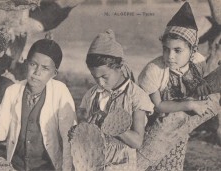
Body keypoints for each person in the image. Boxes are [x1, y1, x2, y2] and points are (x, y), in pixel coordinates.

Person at [137, 2, 220, 170]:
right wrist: (189, 104)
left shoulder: (198, 62)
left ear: (192, 50)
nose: (170, 56)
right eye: (166, 49)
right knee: (152, 164)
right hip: (154, 128)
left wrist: (203, 84)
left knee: (173, 164)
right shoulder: (153, 71)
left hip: (180, 128)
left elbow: (200, 85)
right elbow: (158, 106)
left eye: (177, 50)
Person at [0, 39, 76, 171]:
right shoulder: (13, 91)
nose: (37, 72)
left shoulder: (60, 92)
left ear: (54, 73)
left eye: (45, 68)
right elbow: (1, 133)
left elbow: (69, 138)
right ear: (26, 63)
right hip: (16, 167)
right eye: (33, 64)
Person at [77, 29, 154, 170]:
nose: (100, 83)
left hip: (121, 165)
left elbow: (137, 141)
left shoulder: (136, 96)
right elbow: (84, 126)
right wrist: (77, 132)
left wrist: (111, 123)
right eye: (95, 77)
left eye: (104, 77)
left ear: (120, 67)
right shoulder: (91, 95)